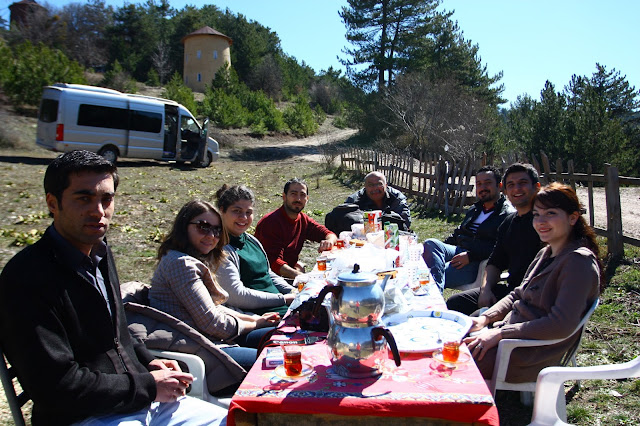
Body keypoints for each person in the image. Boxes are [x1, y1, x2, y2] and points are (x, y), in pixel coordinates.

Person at [0, 150, 226, 425]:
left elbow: (117, 336)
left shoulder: (99, 253)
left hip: (135, 402)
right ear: (52, 203)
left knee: (235, 420)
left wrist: (148, 362)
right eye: (84, 198)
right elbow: (56, 387)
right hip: (84, 417)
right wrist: (148, 386)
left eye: (106, 199)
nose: (99, 212)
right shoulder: (26, 278)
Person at [463, 183, 603, 383]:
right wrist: (485, 319)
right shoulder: (546, 252)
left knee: (447, 360)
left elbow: (560, 324)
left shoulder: (578, 263)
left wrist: (500, 334)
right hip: (509, 337)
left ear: (572, 218)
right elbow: (517, 294)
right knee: (447, 337)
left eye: (551, 213)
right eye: (537, 214)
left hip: (525, 355)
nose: (541, 221)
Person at [149, 200, 280, 372]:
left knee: (284, 338)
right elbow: (213, 324)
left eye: (217, 230)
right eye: (204, 226)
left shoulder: (192, 259)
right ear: (184, 226)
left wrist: (256, 320)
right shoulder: (180, 264)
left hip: (216, 340)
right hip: (203, 349)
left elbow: (214, 308)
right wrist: (255, 325)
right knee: (279, 359)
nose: (211, 235)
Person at [447, 163, 542, 315]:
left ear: (536, 186)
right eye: (511, 184)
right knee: (454, 304)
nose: (516, 189)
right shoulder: (509, 222)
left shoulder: (543, 223)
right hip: (511, 291)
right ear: (505, 189)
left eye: (522, 183)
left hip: (537, 296)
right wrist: (486, 289)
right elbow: (495, 262)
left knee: (473, 320)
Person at [422, 165, 512, 291]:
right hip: (459, 250)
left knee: (430, 275)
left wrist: (471, 256)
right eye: (479, 184)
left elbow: (501, 248)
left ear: (499, 186)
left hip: (476, 263)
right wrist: (440, 253)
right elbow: (458, 233)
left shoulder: (506, 214)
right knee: (431, 243)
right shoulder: (475, 209)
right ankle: (435, 287)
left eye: (487, 183)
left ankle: (434, 298)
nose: (483, 188)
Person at [215, 184, 296, 316]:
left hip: (282, 307)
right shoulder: (220, 248)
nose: (244, 218)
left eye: (248, 212)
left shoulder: (251, 241)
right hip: (260, 317)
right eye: (237, 211)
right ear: (222, 211)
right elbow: (237, 295)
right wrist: (283, 299)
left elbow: (268, 275)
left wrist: (293, 292)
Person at [255, 178, 337, 279]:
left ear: (307, 199)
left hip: (287, 272)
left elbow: (328, 233)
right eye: (293, 194)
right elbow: (273, 263)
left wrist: (329, 241)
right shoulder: (271, 222)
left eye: (302, 195)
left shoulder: (303, 219)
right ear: (284, 197)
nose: (298, 199)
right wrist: (301, 277)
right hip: (267, 277)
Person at [345, 171, 411, 230]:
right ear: (365, 187)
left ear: (386, 185)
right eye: (370, 185)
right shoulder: (354, 201)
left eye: (379, 184)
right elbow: (345, 222)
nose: (375, 188)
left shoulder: (397, 198)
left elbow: (405, 223)